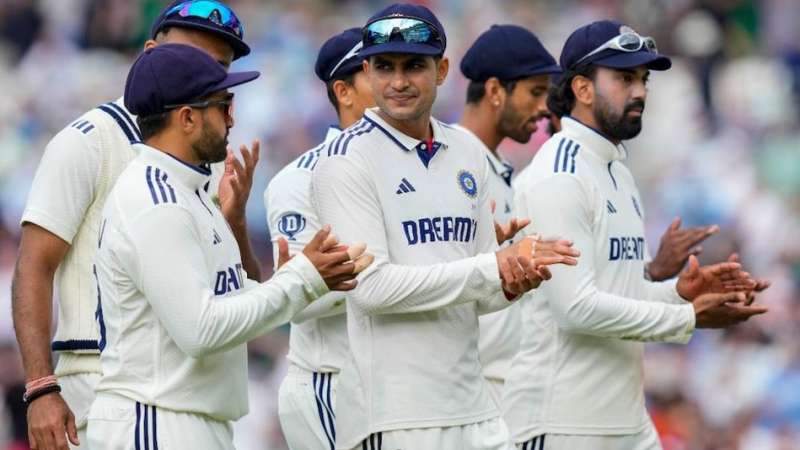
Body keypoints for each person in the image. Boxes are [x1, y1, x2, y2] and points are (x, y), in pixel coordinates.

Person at [311, 4, 580, 449]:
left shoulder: (466, 152)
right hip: (397, 417)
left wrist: (514, 280)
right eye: (385, 67)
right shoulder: (344, 160)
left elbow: (479, 292)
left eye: (414, 66)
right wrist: (493, 267)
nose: (399, 81)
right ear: (367, 71)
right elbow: (372, 289)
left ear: (441, 70)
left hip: (474, 408)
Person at [503, 20, 768, 450]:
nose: (640, 91)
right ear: (582, 88)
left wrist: (681, 294)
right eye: (625, 78)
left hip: (625, 419)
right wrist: (688, 317)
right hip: (563, 424)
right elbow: (576, 309)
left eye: (643, 79)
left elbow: (618, 292)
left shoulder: (617, 172)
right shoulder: (559, 173)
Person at [86, 43, 364, 450]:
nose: (232, 118)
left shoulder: (191, 192)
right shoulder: (156, 201)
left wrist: (292, 274)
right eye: (222, 105)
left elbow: (232, 300)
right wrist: (302, 279)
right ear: (187, 118)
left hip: (188, 419)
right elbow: (201, 330)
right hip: (155, 421)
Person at [13, 2, 258, 449]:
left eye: (219, 65)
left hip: (189, 387)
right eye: (193, 54)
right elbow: (34, 265)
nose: (205, 72)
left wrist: (236, 220)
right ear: (149, 51)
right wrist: (41, 387)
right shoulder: (88, 140)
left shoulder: (207, 149)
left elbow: (239, 287)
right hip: (97, 378)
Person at [265, 28, 374, 450]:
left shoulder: (414, 170)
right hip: (332, 383)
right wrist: (389, 269)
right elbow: (299, 300)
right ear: (344, 92)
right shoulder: (298, 180)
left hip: (400, 382)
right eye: (378, 70)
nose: (396, 81)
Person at [455, 24, 561, 406]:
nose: (545, 107)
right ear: (495, 91)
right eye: (535, 92)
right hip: (469, 388)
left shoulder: (495, 168)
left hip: (503, 387)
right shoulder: (451, 166)